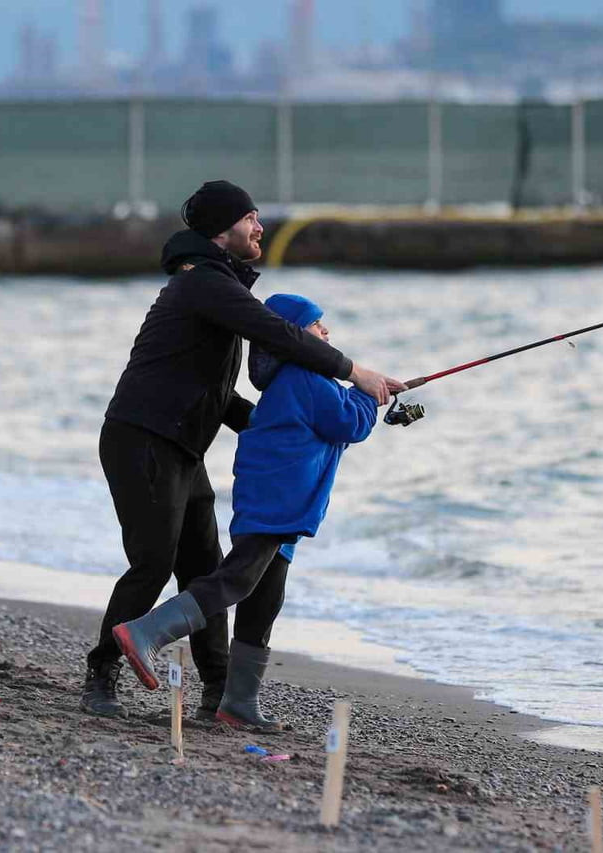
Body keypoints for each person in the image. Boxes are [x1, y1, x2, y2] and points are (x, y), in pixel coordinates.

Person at [82, 180, 404, 717]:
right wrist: (356, 372)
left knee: (204, 567)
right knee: (152, 563)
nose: (260, 227)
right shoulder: (204, 283)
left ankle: (219, 692)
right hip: (141, 438)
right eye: (251, 218)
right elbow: (279, 334)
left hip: (181, 447)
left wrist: (275, 430)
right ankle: (102, 673)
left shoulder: (216, 287)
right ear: (221, 229)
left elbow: (216, 392)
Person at [112, 293, 376, 731]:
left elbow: (337, 420)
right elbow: (347, 423)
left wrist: (364, 393)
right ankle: (147, 632)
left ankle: (238, 701)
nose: (325, 332)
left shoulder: (305, 378)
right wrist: (368, 394)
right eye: (315, 326)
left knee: (266, 598)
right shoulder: (305, 375)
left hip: (286, 501)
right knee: (238, 578)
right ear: (291, 336)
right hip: (277, 498)